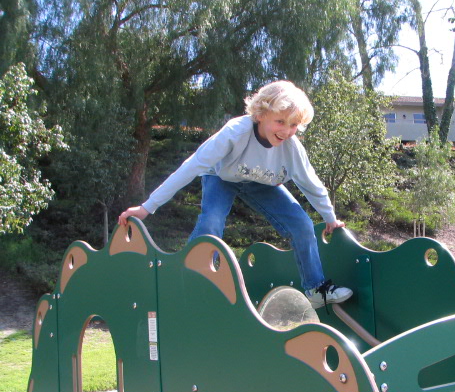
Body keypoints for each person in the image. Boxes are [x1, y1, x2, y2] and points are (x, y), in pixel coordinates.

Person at [118, 80, 353, 309]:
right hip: (221, 177)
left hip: (261, 185)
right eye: (280, 121)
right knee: (211, 221)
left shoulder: (292, 149)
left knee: (302, 224)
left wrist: (329, 217)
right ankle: (191, 279)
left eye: (293, 125)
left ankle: (316, 289)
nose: (286, 131)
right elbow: (191, 167)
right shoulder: (235, 133)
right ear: (260, 114)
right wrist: (147, 207)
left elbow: (310, 183)